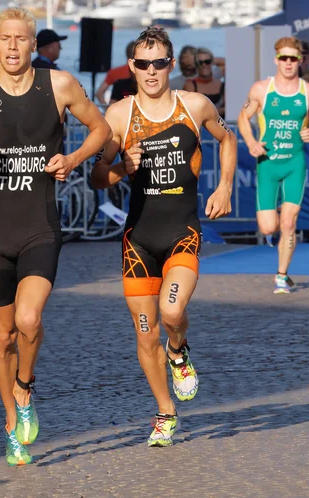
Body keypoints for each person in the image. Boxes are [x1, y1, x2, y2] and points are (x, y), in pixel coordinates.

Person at [0, 7, 111, 466]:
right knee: (1, 338)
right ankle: (12, 423)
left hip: (39, 225)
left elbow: (101, 128)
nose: (13, 47)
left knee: (29, 321)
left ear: (33, 45)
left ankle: (26, 387)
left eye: (21, 39)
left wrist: (72, 161)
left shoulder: (59, 85)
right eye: (5, 39)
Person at [91, 27, 236, 447]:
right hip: (138, 240)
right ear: (132, 66)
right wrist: (122, 168)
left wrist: (225, 186)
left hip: (182, 231)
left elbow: (227, 140)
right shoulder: (119, 115)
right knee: (144, 332)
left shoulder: (194, 105)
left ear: (171, 65)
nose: (151, 71)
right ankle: (164, 413)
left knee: (171, 315)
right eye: (142, 63)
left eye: (158, 63)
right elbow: (97, 178)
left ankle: (179, 350)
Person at [237, 37, 309, 293]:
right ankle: (277, 243)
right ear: (276, 59)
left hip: (294, 164)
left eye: (294, 59)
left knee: (289, 222)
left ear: (300, 61)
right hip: (267, 164)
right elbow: (244, 117)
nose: (288, 63)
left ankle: (281, 275)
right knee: (268, 226)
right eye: (284, 58)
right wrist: (251, 142)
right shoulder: (261, 89)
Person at [183, 47, 225, 118]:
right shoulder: (190, 85)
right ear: (196, 65)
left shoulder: (221, 85)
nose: (204, 65)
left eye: (207, 62)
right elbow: (190, 110)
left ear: (212, 63)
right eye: (200, 62)